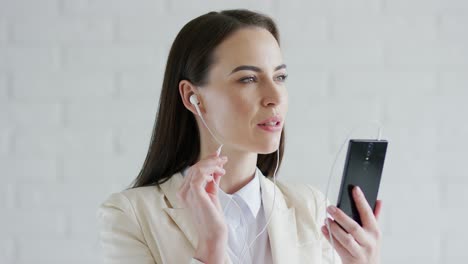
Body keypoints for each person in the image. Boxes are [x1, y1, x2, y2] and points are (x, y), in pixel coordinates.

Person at [97, 9, 383, 264]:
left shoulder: (309, 206)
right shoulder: (130, 216)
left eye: (280, 77)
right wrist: (210, 248)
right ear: (192, 97)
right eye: (248, 79)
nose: (274, 97)